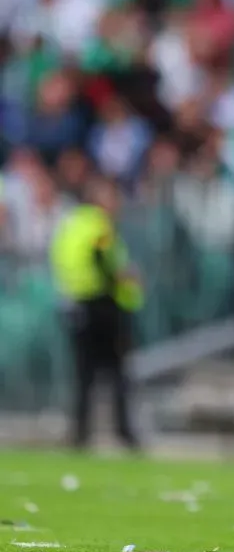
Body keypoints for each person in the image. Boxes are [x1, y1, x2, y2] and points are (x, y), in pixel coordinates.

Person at [49, 174, 143, 451]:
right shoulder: (99, 226)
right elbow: (104, 262)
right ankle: (124, 432)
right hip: (104, 306)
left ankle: (81, 433)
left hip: (77, 305)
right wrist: (125, 280)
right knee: (117, 375)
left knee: (84, 375)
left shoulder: (71, 223)